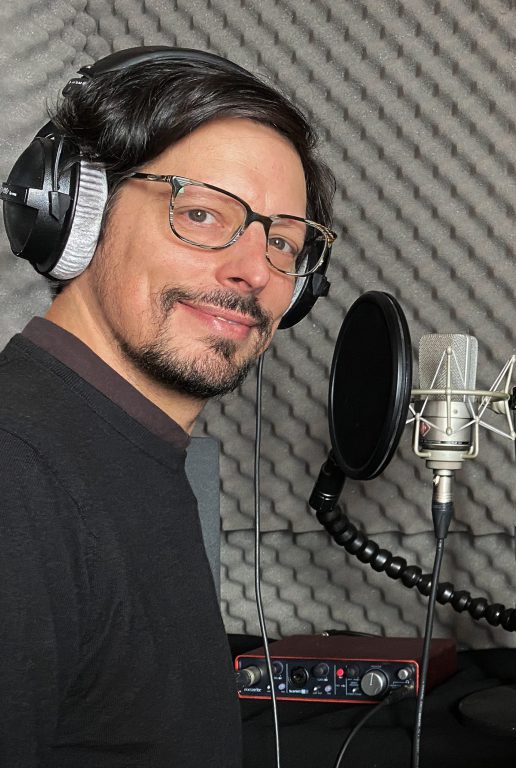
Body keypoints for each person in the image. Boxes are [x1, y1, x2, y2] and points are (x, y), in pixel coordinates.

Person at [0, 47, 336, 766]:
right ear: (77, 215)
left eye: (282, 241)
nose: (254, 270)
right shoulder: (16, 476)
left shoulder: (126, 450)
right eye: (204, 213)